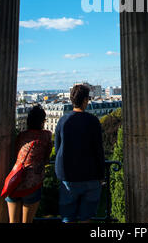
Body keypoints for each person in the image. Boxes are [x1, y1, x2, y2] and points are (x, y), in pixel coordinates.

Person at [55, 84, 105, 223]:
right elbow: (98, 150)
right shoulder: (93, 121)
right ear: (85, 101)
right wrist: (101, 175)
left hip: (68, 176)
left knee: (67, 218)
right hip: (90, 175)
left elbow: (58, 147)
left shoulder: (62, 121)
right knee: (86, 218)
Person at [5, 105, 52, 223]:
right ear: (42, 122)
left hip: (14, 181)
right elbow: (47, 157)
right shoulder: (46, 135)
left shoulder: (22, 135)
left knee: (13, 221)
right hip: (32, 183)